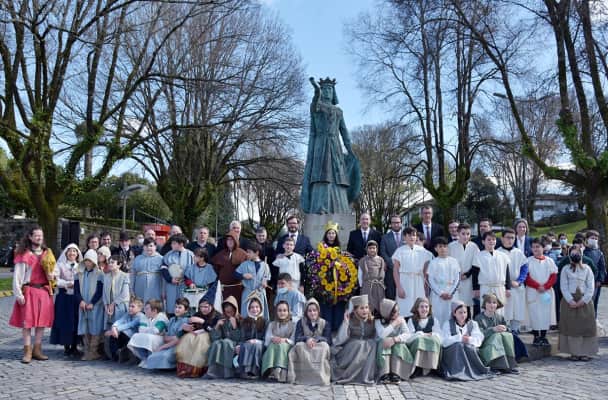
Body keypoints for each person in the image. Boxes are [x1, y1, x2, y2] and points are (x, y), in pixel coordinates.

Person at [300, 76, 360, 214]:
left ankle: (340, 208)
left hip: (335, 146)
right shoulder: (317, 107)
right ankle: (320, 207)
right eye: (325, 89)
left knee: (338, 177)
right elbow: (315, 103)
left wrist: (350, 150)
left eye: (330, 89)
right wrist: (316, 91)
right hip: (321, 145)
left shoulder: (339, 111)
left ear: (333, 92)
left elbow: (344, 132)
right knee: (322, 175)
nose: (327, 92)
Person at [10, 227, 55, 364]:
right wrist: (19, 294)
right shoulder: (24, 254)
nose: (39, 238)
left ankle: (37, 350)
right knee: (27, 323)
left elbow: (55, 271)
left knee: (41, 324)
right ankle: (27, 351)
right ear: (30, 237)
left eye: (41, 235)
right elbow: (17, 276)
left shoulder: (47, 253)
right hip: (29, 291)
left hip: (44, 292)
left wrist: (53, 276)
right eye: (36, 235)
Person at [559, 246, 598, 361]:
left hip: (584, 301)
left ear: (581, 255)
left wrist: (583, 300)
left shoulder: (587, 269)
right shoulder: (566, 269)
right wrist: (570, 300)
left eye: (577, 253)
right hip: (569, 301)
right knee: (572, 327)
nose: (575, 256)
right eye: (573, 254)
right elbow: (563, 286)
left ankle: (585, 352)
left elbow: (591, 287)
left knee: (585, 326)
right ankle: (574, 353)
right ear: (569, 256)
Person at [331, 295, 377, 384]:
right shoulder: (350, 320)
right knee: (360, 344)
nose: (365, 310)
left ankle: (367, 375)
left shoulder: (372, 321)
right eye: (361, 308)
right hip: (351, 349)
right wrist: (346, 323)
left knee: (371, 343)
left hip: (368, 349)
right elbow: (340, 339)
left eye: (366, 308)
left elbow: (377, 336)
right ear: (356, 310)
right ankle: (350, 374)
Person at [440, 300, 491, 381]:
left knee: (468, 346)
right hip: (452, 354)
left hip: (469, 352)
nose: (463, 315)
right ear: (454, 313)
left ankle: (471, 370)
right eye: (460, 313)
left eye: (465, 312)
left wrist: (469, 340)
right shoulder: (448, 324)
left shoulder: (473, 324)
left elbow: (479, 339)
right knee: (458, 345)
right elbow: (444, 341)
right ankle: (457, 371)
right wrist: (459, 338)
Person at [287, 298, 332, 386]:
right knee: (299, 346)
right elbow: (297, 338)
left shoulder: (325, 323)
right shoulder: (301, 322)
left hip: (318, 345)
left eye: (314, 310)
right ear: (306, 312)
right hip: (305, 345)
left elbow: (328, 339)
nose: (312, 313)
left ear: (318, 311)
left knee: (324, 346)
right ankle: (303, 376)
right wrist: (307, 339)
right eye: (310, 311)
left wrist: (317, 339)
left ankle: (320, 376)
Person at [176, 294, 221, 378]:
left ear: (211, 306)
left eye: (206, 307)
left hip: (209, 338)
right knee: (187, 338)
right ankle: (185, 368)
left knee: (201, 339)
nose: (203, 309)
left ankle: (196, 370)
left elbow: (213, 330)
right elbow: (191, 327)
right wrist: (186, 328)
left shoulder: (217, 316)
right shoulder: (197, 314)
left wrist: (202, 322)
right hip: (195, 336)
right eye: (201, 307)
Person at [392, 227, 433, 318]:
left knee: (419, 304)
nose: (412, 237)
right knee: (404, 306)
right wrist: (399, 287)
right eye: (409, 235)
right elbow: (395, 271)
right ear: (404, 237)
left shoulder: (423, 251)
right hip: (405, 281)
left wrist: (425, 287)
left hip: (418, 281)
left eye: (414, 235)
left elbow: (425, 271)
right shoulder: (400, 251)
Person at [50, 243, 83, 357]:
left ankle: (74, 346)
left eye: (74, 251)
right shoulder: (60, 265)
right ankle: (66, 346)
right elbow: (56, 279)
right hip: (64, 298)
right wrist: (66, 284)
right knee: (64, 321)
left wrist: (76, 284)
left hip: (76, 298)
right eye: (70, 251)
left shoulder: (80, 266)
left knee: (75, 321)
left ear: (77, 253)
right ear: (66, 253)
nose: (72, 253)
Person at [525, 238, 558, 346]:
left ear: (543, 248)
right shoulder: (528, 261)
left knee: (545, 313)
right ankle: (536, 336)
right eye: (533, 247)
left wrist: (546, 286)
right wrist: (537, 286)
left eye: (538, 247)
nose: (535, 249)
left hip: (546, 291)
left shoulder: (549, 261)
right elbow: (526, 277)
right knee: (534, 313)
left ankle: (543, 336)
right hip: (533, 291)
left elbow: (553, 276)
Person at [475, 294, 518, 374]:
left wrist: (505, 328)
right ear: (485, 304)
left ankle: (509, 365)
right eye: (489, 302)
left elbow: (508, 328)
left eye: (494, 303)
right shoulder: (479, 318)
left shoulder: (500, 317)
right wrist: (493, 329)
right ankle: (495, 366)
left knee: (508, 335)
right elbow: (479, 334)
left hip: (500, 343)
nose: (492, 305)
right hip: (485, 344)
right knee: (496, 336)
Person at [141, 297, 189, 369]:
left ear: (186, 310)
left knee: (164, 356)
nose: (177, 309)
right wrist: (168, 338)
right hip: (169, 345)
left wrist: (163, 346)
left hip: (177, 346)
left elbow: (177, 340)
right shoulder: (172, 320)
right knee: (152, 357)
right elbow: (166, 336)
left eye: (179, 308)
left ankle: (172, 366)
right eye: (176, 307)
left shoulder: (185, 321)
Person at [471, 231, 511, 317]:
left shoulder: (503, 255)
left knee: (500, 311)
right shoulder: (479, 256)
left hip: (499, 287)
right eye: (489, 240)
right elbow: (475, 274)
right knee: (486, 310)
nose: (491, 241)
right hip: (486, 287)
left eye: (493, 239)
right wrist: (476, 289)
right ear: (483, 242)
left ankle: (499, 325)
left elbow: (507, 272)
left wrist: (508, 287)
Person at [75, 249, 105, 361]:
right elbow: (76, 290)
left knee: (95, 326)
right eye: (86, 260)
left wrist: (92, 303)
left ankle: (93, 351)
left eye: (90, 260)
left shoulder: (99, 274)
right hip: (83, 304)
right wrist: (81, 301)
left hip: (95, 305)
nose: (88, 263)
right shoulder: (79, 274)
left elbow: (99, 291)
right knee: (85, 326)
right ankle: (86, 350)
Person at [375, 298, 414, 383]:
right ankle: (384, 373)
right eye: (396, 311)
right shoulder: (378, 321)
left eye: (398, 310)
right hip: (383, 345)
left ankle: (396, 373)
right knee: (384, 342)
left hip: (396, 343)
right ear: (388, 312)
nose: (398, 313)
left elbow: (408, 334)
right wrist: (394, 323)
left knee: (398, 345)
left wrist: (395, 339)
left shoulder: (401, 319)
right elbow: (382, 335)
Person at [498, 229, 528, 333]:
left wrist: (519, 281)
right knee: (505, 312)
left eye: (512, 238)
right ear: (502, 238)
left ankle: (515, 331)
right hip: (503, 287)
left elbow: (524, 268)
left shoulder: (518, 252)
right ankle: (506, 331)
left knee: (517, 311)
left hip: (517, 286)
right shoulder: (498, 253)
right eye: (508, 237)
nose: (510, 240)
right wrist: (506, 283)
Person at [426, 237, 460, 325]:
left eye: (445, 246)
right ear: (435, 249)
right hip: (438, 294)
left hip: (451, 293)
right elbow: (430, 280)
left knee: (452, 314)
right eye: (440, 247)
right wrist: (440, 293)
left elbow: (457, 278)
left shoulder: (454, 261)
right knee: (438, 316)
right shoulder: (433, 262)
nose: (443, 249)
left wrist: (451, 292)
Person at [206, 295, 241, 379]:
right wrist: (217, 326)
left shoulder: (240, 320)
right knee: (216, 343)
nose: (228, 309)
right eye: (226, 307)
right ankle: (212, 371)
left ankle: (227, 373)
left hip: (235, 345)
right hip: (223, 343)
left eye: (230, 307)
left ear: (235, 308)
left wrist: (235, 327)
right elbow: (214, 338)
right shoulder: (222, 320)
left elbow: (239, 338)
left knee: (226, 342)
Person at [448, 223, 479, 316]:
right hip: (454, 279)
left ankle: (467, 322)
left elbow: (476, 264)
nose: (466, 236)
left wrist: (467, 274)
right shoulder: (451, 246)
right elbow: (448, 263)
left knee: (467, 304)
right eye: (463, 234)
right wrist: (457, 275)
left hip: (468, 279)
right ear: (458, 233)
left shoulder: (474, 247)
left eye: (468, 234)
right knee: (455, 304)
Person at [406, 297, 442, 377]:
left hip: (430, 339)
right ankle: (417, 367)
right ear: (417, 308)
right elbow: (409, 337)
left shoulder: (434, 320)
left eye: (426, 307)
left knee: (434, 340)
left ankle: (431, 367)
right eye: (421, 307)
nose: (424, 309)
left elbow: (439, 335)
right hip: (416, 343)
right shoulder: (411, 320)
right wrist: (421, 334)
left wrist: (432, 334)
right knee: (420, 341)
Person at [127, 298, 170, 366]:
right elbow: (141, 330)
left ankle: (151, 360)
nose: (144, 310)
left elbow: (155, 330)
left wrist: (148, 330)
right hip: (155, 337)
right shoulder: (144, 316)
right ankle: (145, 358)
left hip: (164, 341)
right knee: (135, 336)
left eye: (147, 309)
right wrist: (151, 330)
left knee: (150, 338)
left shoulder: (162, 317)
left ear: (154, 311)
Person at [261, 301, 296, 382]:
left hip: (287, 347)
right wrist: (273, 338)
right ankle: (270, 371)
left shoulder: (293, 325)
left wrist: (285, 340)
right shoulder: (272, 324)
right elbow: (267, 340)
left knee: (281, 345)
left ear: (288, 311)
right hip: (274, 346)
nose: (282, 313)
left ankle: (280, 372)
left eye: (284, 310)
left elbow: (293, 340)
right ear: (276, 312)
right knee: (274, 345)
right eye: (279, 310)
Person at [235, 242, 271, 320]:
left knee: (260, 315)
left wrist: (265, 283)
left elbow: (266, 279)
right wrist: (243, 275)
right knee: (246, 315)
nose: (247, 254)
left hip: (260, 293)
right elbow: (235, 274)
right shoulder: (244, 264)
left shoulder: (265, 266)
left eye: (249, 252)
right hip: (247, 294)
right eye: (247, 252)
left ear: (256, 253)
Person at [104, 297, 146, 362]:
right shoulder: (128, 314)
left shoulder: (140, 316)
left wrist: (116, 330)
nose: (130, 308)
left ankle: (125, 353)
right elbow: (120, 321)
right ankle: (115, 355)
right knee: (113, 336)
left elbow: (130, 325)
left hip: (136, 338)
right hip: (128, 336)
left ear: (139, 308)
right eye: (129, 306)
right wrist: (114, 328)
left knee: (123, 332)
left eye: (132, 306)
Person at [211, 232, 248, 307]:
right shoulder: (220, 254)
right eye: (228, 239)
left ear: (236, 241)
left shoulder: (243, 254)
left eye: (232, 239)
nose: (230, 241)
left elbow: (247, 270)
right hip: (224, 289)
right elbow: (215, 269)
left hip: (238, 289)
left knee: (237, 308)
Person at [161, 234, 194, 313]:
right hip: (171, 285)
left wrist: (188, 281)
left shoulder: (190, 255)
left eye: (174, 243)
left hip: (185, 285)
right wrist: (170, 279)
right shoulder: (168, 255)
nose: (171, 245)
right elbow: (163, 269)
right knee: (171, 306)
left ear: (181, 244)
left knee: (184, 306)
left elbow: (192, 270)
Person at [236, 295, 267, 379]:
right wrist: (239, 345)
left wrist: (257, 341)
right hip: (247, 343)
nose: (254, 309)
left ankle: (255, 371)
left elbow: (266, 338)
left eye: (257, 307)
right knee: (246, 345)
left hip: (261, 344)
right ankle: (245, 371)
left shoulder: (265, 321)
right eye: (252, 307)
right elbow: (242, 337)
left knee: (256, 345)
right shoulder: (244, 322)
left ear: (260, 308)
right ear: (248, 309)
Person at [102, 255, 130, 342]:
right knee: (109, 330)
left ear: (119, 264)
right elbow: (104, 293)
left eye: (112, 262)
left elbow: (125, 294)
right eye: (109, 262)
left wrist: (113, 304)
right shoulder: (106, 276)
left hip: (120, 306)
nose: (110, 264)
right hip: (108, 307)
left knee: (119, 329)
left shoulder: (125, 276)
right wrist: (106, 305)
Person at [130, 238, 164, 303]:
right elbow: (133, 275)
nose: (148, 248)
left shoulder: (161, 259)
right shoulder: (137, 258)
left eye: (151, 246)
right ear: (143, 247)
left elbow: (163, 277)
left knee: (154, 305)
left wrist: (163, 290)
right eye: (146, 246)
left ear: (155, 247)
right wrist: (131, 289)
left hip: (156, 287)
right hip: (140, 287)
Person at [358, 240, 386, 314]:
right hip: (367, 285)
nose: (372, 250)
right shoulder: (363, 260)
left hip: (378, 285)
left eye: (374, 248)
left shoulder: (381, 260)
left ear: (377, 249)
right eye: (370, 248)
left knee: (379, 303)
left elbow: (382, 271)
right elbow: (360, 274)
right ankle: (368, 318)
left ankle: (379, 317)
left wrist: (381, 281)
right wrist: (362, 285)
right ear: (367, 249)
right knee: (367, 303)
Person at [583, 230, 606, 316]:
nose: (594, 240)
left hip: (596, 281)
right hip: (584, 281)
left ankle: (594, 317)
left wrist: (600, 280)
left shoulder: (599, 252)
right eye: (592, 238)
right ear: (587, 239)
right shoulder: (583, 251)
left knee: (594, 301)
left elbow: (602, 268)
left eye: (596, 239)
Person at [380, 215, 403, 300]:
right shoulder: (385, 237)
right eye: (393, 223)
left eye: (397, 222)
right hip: (390, 271)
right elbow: (383, 252)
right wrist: (392, 265)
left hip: (405, 271)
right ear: (391, 224)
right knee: (391, 294)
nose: (396, 224)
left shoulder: (407, 236)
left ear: (401, 223)